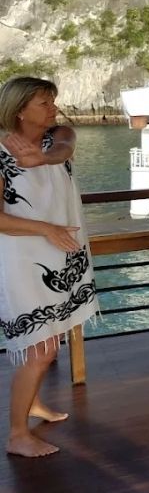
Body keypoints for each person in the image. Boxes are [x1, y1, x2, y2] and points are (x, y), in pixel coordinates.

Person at [0, 77, 99, 457]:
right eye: (44, 103)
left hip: (60, 252)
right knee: (38, 348)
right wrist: (46, 228)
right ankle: (16, 434)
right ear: (20, 109)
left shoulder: (59, 135)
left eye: (52, 100)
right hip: (24, 260)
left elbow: (63, 149)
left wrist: (38, 158)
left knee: (48, 343)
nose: (53, 108)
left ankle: (33, 403)